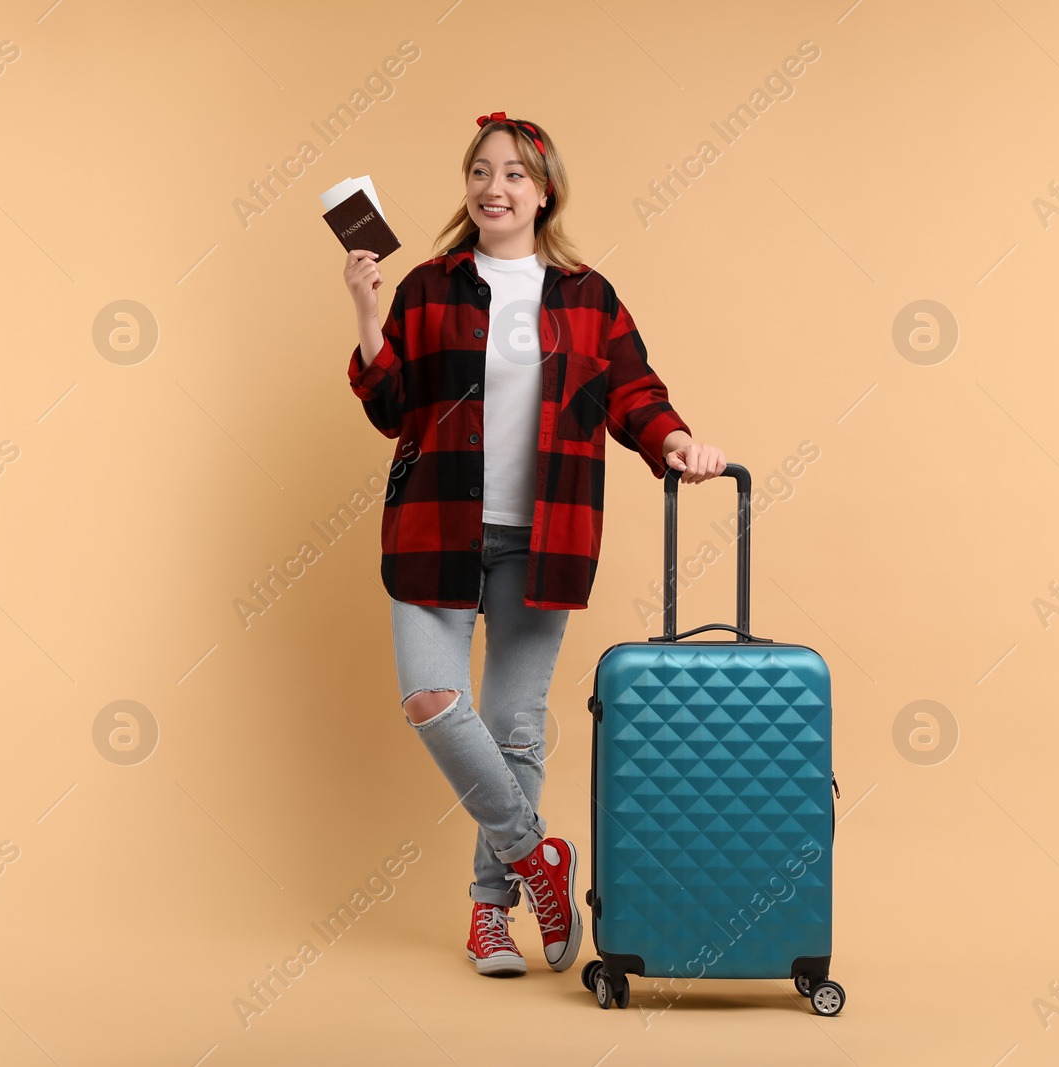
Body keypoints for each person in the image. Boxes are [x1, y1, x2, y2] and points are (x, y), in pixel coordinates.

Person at [342, 111, 727, 978]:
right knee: (431, 698)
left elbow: (637, 395)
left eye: (514, 173)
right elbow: (389, 406)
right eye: (480, 171)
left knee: (516, 729)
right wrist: (367, 311)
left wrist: (676, 444)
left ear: (544, 190)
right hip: (435, 524)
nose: (493, 187)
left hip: (543, 534)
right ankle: (536, 857)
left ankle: (491, 915)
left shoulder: (587, 295)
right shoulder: (429, 285)